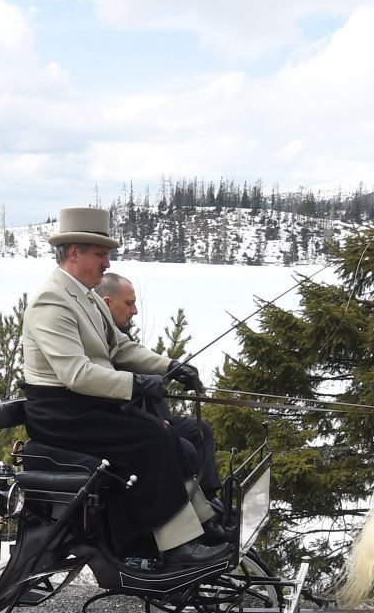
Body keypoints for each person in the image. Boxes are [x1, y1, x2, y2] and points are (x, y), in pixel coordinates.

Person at [21, 206, 224, 566]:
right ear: (73, 253)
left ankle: (202, 525)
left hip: (87, 405)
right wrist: (137, 384)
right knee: (153, 438)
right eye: (100, 254)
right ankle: (175, 546)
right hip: (61, 413)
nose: (107, 263)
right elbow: (76, 374)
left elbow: (121, 348)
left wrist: (170, 367)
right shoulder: (51, 301)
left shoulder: (86, 296)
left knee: (172, 436)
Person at [97, 272, 221, 501]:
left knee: (200, 431)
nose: (134, 311)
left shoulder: (117, 334)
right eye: (129, 303)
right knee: (182, 446)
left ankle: (210, 500)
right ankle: (185, 512)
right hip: (121, 423)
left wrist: (174, 368)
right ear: (107, 303)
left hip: (148, 416)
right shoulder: (96, 335)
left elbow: (141, 362)